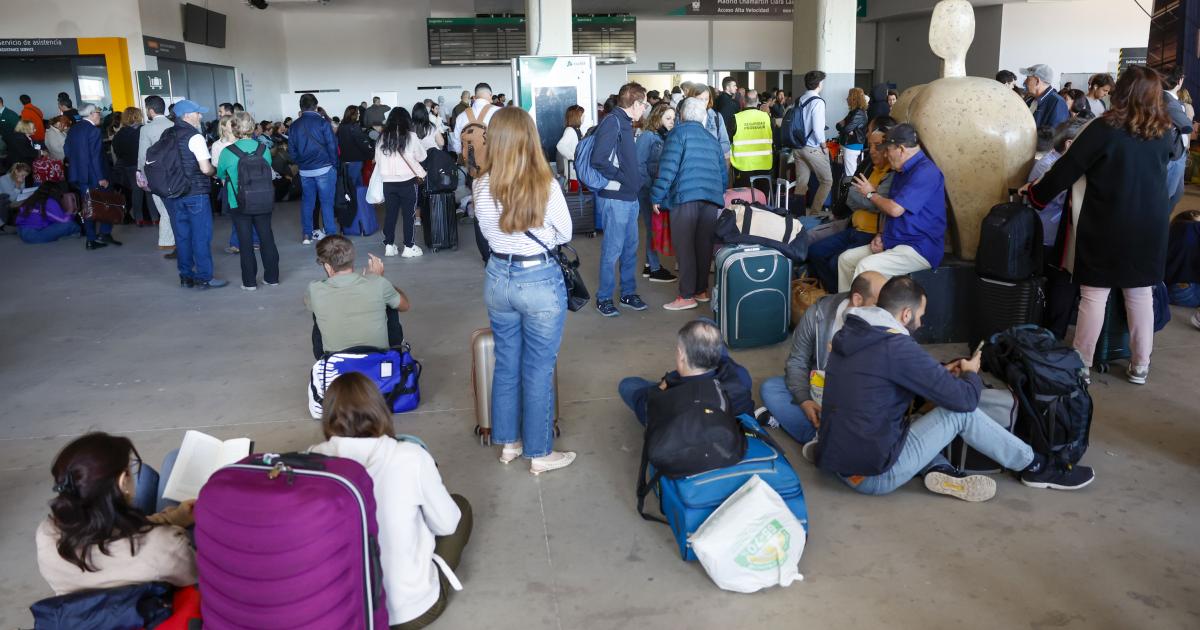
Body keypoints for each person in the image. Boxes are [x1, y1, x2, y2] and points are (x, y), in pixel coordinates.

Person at [813, 276, 1094, 501]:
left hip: (839, 462)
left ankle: (939, 468)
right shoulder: (897, 348)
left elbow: (883, 380)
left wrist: (939, 374)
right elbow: (965, 401)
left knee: (921, 412)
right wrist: (971, 374)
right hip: (874, 476)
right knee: (958, 414)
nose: (921, 323)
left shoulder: (853, 332)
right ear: (906, 314)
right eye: (920, 315)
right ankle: (1036, 467)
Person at [1022, 65, 1176, 385]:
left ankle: (1082, 364)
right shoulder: (1163, 131)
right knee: (1140, 294)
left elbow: (1067, 168)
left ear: (1122, 91)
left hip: (1108, 222)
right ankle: (1140, 365)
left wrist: (1035, 195)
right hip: (1151, 225)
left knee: (1094, 294)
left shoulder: (1104, 128)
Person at [306, 373, 471, 629]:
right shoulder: (411, 456)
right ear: (378, 409)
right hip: (410, 613)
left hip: (347, 613)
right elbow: (447, 525)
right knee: (459, 507)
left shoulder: (312, 460)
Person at [474, 107, 575, 475]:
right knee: (538, 368)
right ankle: (539, 452)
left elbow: (487, 233)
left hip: (498, 277)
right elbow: (565, 233)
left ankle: (509, 444)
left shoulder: (481, 185)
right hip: (539, 280)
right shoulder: (545, 183)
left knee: (506, 362)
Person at [37, 432, 195, 596]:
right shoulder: (166, 545)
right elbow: (198, 579)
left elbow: (112, 530)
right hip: (158, 595)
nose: (132, 472)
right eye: (129, 469)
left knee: (145, 473)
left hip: (91, 607)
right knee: (174, 459)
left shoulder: (46, 534)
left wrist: (172, 518)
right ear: (122, 481)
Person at [758, 271, 887, 445]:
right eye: (878, 304)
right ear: (857, 300)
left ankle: (821, 437)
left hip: (855, 398)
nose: (884, 311)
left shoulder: (885, 325)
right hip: (819, 388)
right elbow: (797, 361)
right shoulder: (819, 313)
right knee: (772, 388)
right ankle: (821, 439)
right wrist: (805, 401)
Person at [837, 124, 945, 292]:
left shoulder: (926, 171)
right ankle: (847, 306)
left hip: (918, 247)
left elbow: (895, 209)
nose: (886, 155)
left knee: (866, 266)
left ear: (901, 149)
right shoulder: (901, 171)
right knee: (846, 259)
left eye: (888, 150)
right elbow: (888, 210)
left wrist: (870, 194)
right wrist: (881, 234)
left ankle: (861, 309)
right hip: (896, 241)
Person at [650, 97, 727, 311]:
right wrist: (718, 192)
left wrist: (656, 196)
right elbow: (723, 173)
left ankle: (686, 296)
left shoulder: (677, 134)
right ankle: (701, 290)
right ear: (703, 117)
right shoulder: (711, 138)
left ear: (682, 115)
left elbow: (668, 168)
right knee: (704, 246)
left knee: (685, 248)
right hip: (710, 199)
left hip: (685, 198)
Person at [808, 121, 894, 291]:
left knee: (835, 262)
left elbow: (876, 205)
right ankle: (833, 293)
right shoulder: (870, 167)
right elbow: (849, 193)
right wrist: (867, 195)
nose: (872, 150)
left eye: (877, 145)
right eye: (870, 145)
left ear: (889, 147)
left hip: (870, 235)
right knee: (815, 251)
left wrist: (866, 195)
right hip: (853, 227)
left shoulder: (892, 174)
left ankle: (841, 295)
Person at [618, 319, 754, 426]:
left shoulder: (673, 397)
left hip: (682, 408)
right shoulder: (740, 374)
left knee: (628, 384)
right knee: (705, 323)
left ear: (681, 354)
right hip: (734, 426)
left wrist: (661, 387)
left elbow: (646, 409)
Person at [592, 82, 650, 317]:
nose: (645, 108)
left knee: (630, 249)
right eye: (644, 104)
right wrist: (623, 178)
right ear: (635, 103)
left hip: (629, 197)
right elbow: (598, 159)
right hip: (616, 197)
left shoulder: (625, 122)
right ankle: (604, 297)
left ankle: (628, 293)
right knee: (612, 250)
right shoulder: (612, 122)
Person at [1028, 118, 1087, 340]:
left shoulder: (1056, 163)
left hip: (1057, 237)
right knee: (1063, 285)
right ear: (1070, 144)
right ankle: (1053, 333)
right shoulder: (1051, 167)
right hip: (1052, 239)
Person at [308, 235, 410, 358]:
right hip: (378, 360)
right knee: (388, 301)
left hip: (336, 363)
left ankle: (323, 359)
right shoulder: (378, 283)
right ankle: (395, 354)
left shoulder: (314, 289)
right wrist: (379, 279)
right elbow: (405, 306)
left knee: (318, 310)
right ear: (352, 259)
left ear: (327, 266)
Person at [165, 99, 228, 289]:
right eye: (197, 113)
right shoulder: (195, 136)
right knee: (201, 236)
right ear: (186, 116)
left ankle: (185, 276)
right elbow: (205, 168)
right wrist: (216, 171)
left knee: (182, 236)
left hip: (174, 192)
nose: (200, 116)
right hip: (195, 192)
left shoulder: (167, 134)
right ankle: (204, 277)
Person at [215, 112, 280, 291]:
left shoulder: (228, 152)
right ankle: (272, 278)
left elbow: (220, 174)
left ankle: (249, 282)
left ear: (234, 128)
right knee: (267, 238)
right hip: (263, 200)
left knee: (245, 242)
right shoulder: (263, 149)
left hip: (238, 202)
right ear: (252, 127)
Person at [63, 104, 120, 251]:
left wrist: (78, 165)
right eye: (98, 112)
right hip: (95, 175)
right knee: (107, 203)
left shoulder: (74, 129)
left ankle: (91, 239)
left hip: (80, 176)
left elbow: (67, 150)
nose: (99, 115)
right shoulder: (93, 131)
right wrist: (101, 178)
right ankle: (104, 233)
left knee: (88, 206)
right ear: (91, 114)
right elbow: (95, 157)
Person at [376, 107, 428, 258]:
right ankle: (408, 247)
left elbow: (378, 160)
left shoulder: (382, 137)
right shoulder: (411, 136)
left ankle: (389, 246)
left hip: (388, 182)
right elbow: (422, 156)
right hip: (408, 182)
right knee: (409, 215)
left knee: (390, 215)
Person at [635, 102, 677, 284]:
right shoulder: (648, 136)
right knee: (653, 227)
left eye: (673, 118)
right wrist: (652, 189)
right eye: (668, 118)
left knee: (653, 226)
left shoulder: (664, 136)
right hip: (648, 189)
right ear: (657, 118)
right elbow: (639, 165)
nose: (672, 122)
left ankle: (648, 265)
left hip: (656, 188)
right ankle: (654, 268)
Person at [289, 93, 340, 244]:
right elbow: (332, 146)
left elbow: (291, 151)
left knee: (307, 203)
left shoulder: (294, 125)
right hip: (324, 168)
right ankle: (330, 234)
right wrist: (334, 164)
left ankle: (307, 234)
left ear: (301, 107)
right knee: (326, 203)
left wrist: (300, 163)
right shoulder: (323, 123)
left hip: (305, 170)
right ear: (316, 106)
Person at [137, 95, 176, 257]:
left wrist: (142, 175)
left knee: (163, 208)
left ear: (151, 110)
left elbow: (143, 156)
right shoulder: (175, 125)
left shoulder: (146, 129)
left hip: (156, 175)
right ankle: (175, 239)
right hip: (176, 173)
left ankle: (167, 241)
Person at [791, 70, 833, 217]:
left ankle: (797, 216)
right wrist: (824, 146)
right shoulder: (818, 102)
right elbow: (817, 128)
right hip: (812, 148)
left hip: (798, 147)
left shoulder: (799, 99)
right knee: (827, 181)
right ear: (819, 84)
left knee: (801, 183)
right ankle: (814, 214)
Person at [1163, 66, 1194, 211]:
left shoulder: (1172, 100)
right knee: (1167, 195)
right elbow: (1187, 126)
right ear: (1179, 80)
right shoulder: (1168, 101)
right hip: (1173, 155)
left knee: (1177, 193)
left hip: (1179, 152)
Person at [111, 107, 148, 225]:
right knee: (148, 190)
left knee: (136, 191)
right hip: (143, 164)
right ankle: (152, 216)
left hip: (128, 165)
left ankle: (138, 218)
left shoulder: (119, 134)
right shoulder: (143, 130)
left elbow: (117, 151)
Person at [730, 92, 773, 180]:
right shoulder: (767, 117)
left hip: (743, 166)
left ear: (744, 101)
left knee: (744, 189)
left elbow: (728, 141)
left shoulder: (736, 118)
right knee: (762, 189)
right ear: (757, 101)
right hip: (764, 164)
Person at [683, 83, 731, 160]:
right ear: (691, 99)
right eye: (700, 99)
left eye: (706, 99)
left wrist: (710, 151)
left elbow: (725, 143)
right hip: (691, 162)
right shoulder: (683, 117)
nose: (703, 103)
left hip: (712, 162)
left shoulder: (717, 117)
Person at [450, 83, 498, 155]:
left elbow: (456, 143)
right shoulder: (499, 112)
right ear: (491, 96)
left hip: (469, 160)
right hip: (494, 158)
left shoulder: (461, 116)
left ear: (474, 97)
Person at [1022, 64, 1070, 133]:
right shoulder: (1030, 100)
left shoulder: (1057, 103)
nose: (1025, 82)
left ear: (1037, 81)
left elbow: (1055, 135)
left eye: (1028, 79)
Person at [337, 104, 373, 196]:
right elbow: (362, 144)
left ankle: (358, 203)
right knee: (353, 185)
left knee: (355, 183)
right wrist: (372, 154)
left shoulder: (341, 126)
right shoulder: (354, 127)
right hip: (355, 160)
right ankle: (354, 203)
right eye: (358, 113)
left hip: (345, 159)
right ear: (353, 115)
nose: (359, 115)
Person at [836, 88, 869, 178]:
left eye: (849, 96)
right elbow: (838, 125)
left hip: (852, 145)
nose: (847, 98)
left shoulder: (858, 113)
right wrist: (844, 128)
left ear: (853, 98)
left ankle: (850, 187)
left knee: (850, 173)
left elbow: (846, 128)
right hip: (850, 144)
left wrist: (844, 127)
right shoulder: (854, 112)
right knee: (849, 171)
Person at [555, 104, 585, 182]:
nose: (584, 117)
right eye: (582, 115)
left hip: (578, 172)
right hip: (573, 175)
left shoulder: (577, 130)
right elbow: (560, 146)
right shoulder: (570, 131)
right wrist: (574, 157)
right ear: (576, 117)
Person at [714, 76, 739, 141]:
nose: (736, 88)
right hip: (727, 137)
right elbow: (728, 122)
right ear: (727, 87)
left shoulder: (718, 98)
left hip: (719, 134)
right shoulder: (730, 103)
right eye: (734, 86)